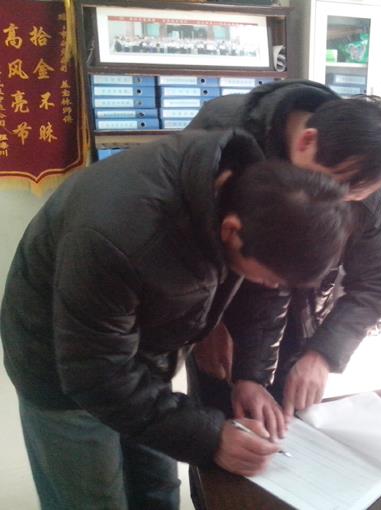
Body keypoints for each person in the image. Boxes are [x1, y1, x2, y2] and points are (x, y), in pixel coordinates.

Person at [0, 128, 352, 510]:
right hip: (59, 364)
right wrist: (212, 439)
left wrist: (250, 376)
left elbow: (261, 295)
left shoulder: (254, 202)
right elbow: (97, 375)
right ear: (231, 231)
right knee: (95, 499)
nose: (273, 287)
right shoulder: (117, 234)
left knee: (158, 488)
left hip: (143, 354)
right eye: (270, 278)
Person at [185, 80, 381, 438]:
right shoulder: (222, 137)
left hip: (301, 317)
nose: (331, 215)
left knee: (289, 432)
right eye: (329, 193)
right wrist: (203, 325)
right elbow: (182, 248)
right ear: (305, 143)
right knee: (219, 429)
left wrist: (322, 354)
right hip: (222, 315)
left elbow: (374, 280)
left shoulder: (357, 173)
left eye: (348, 202)